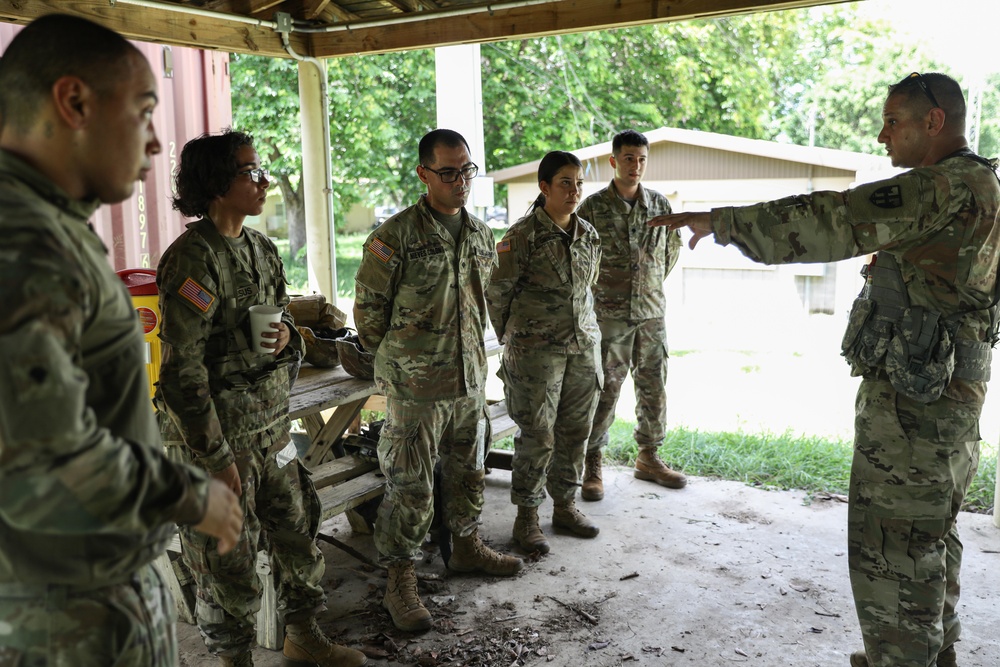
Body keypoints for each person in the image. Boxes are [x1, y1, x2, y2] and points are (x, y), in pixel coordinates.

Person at [651, 72, 1000, 667]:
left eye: (895, 121)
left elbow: (836, 218)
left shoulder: (940, 188)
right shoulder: (985, 182)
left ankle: (900, 656)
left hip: (917, 410)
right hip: (949, 397)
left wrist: (725, 223)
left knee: (892, 542)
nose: (884, 134)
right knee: (930, 532)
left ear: (934, 121)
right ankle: (933, 651)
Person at [0, 14, 244, 667]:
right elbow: (45, 464)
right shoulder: (25, 243)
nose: (158, 142)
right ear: (74, 102)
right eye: (143, 110)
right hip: (66, 616)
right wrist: (194, 495)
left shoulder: (50, 227)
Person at [154, 130, 367, 667]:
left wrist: (292, 338)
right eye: (251, 171)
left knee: (297, 532)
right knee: (227, 559)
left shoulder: (261, 249)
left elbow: (284, 329)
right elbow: (182, 375)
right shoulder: (192, 261)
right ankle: (234, 659)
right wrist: (217, 459)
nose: (264, 179)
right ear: (217, 184)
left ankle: (303, 637)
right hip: (218, 445)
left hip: (271, 431)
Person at [354, 128, 523, 633]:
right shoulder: (393, 237)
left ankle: (466, 547)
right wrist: (408, 361)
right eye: (447, 172)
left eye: (466, 170)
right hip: (416, 387)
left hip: (469, 380)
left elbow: (484, 300)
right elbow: (368, 317)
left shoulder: (478, 233)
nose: (459, 181)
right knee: (411, 485)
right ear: (424, 173)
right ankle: (400, 579)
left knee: (469, 470)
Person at [486, 150, 604, 554]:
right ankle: (527, 517)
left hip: (583, 349)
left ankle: (565, 506)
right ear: (544, 187)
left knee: (576, 432)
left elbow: (589, 287)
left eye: (578, 183)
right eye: (565, 183)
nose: (574, 191)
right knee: (537, 435)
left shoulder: (588, 233)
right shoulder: (521, 237)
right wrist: (516, 339)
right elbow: (497, 293)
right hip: (536, 354)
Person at [576, 129, 686, 501]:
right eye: (628, 158)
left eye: (641, 159)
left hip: (652, 312)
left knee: (654, 385)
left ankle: (649, 456)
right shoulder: (591, 208)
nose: (635, 166)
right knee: (605, 388)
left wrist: (648, 289)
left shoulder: (660, 206)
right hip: (609, 316)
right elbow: (581, 260)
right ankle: (592, 461)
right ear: (613, 161)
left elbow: (669, 255)